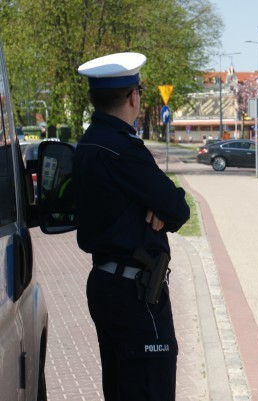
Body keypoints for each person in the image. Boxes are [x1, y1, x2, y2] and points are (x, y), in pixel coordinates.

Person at [74, 52, 190, 401]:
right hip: (136, 294)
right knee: (149, 389)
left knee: (121, 389)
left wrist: (159, 205)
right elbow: (177, 209)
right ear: (133, 97)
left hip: (108, 286)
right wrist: (160, 207)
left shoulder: (89, 143)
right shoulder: (124, 149)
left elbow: (166, 206)